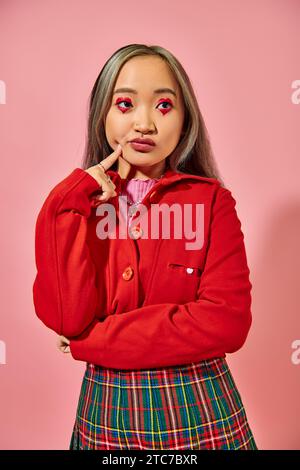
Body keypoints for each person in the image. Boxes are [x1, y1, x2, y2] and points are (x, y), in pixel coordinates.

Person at [33, 43, 258, 450]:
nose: (144, 124)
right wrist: (69, 198)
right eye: (124, 104)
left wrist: (93, 341)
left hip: (200, 406)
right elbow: (67, 317)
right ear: (102, 114)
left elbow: (227, 322)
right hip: (107, 409)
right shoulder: (80, 206)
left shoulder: (212, 202)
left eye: (164, 106)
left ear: (186, 119)